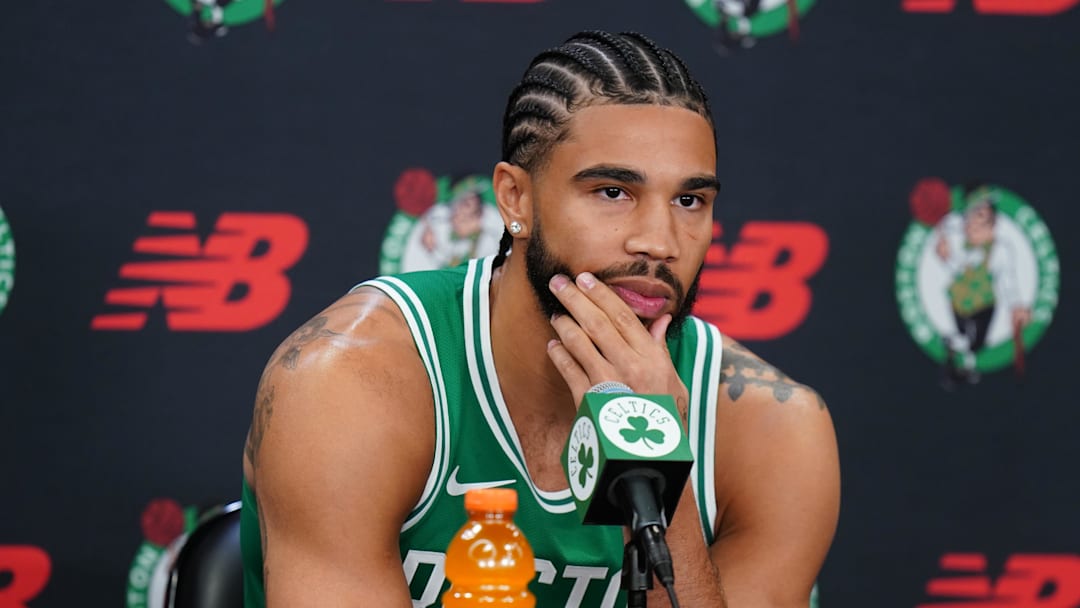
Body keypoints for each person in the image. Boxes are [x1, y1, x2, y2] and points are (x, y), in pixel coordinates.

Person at [240, 30, 840, 607]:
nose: (660, 241)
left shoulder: (773, 432)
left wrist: (657, 466)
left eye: (690, 201)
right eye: (612, 191)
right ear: (514, 199)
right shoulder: (350, 380)